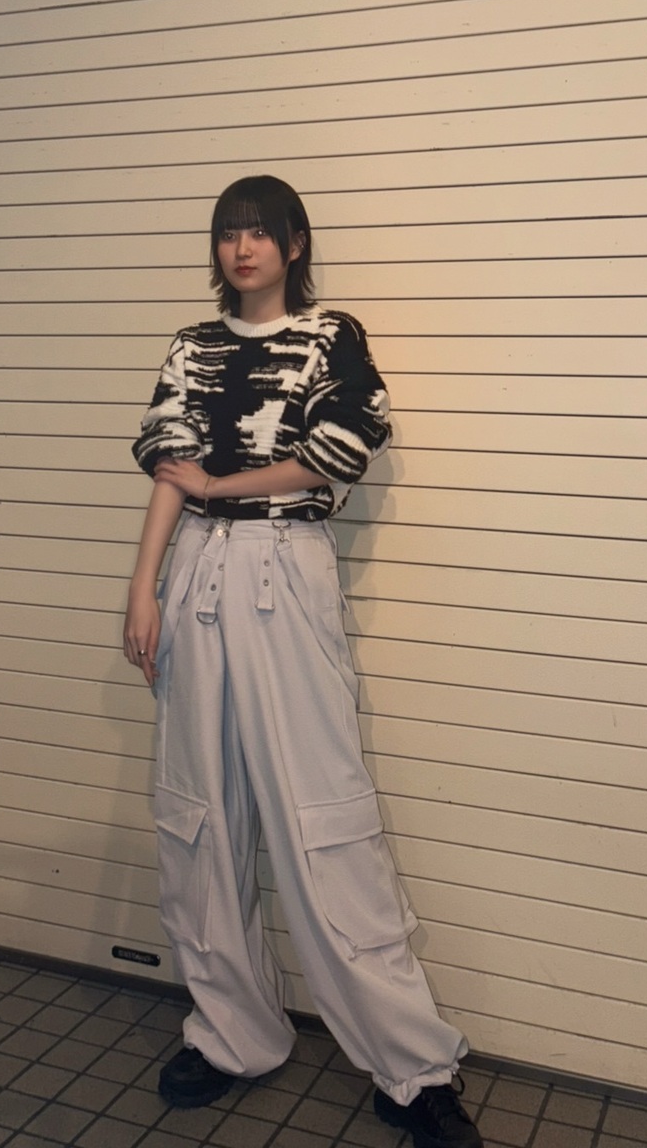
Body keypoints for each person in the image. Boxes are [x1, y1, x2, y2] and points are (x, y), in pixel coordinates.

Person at [123, 175, 483, 1147]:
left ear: (292, 243)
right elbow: (171, 472)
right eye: (227, 233)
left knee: (324, 813)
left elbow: (339, 447)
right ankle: (231, 1032)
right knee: (198, 809)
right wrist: (143, 585)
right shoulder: (191, 345)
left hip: (285, 560)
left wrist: (223, 483)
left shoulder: (330, 336)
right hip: (196, 567)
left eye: (259, 232)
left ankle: (412, 1067)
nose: (242, 248)